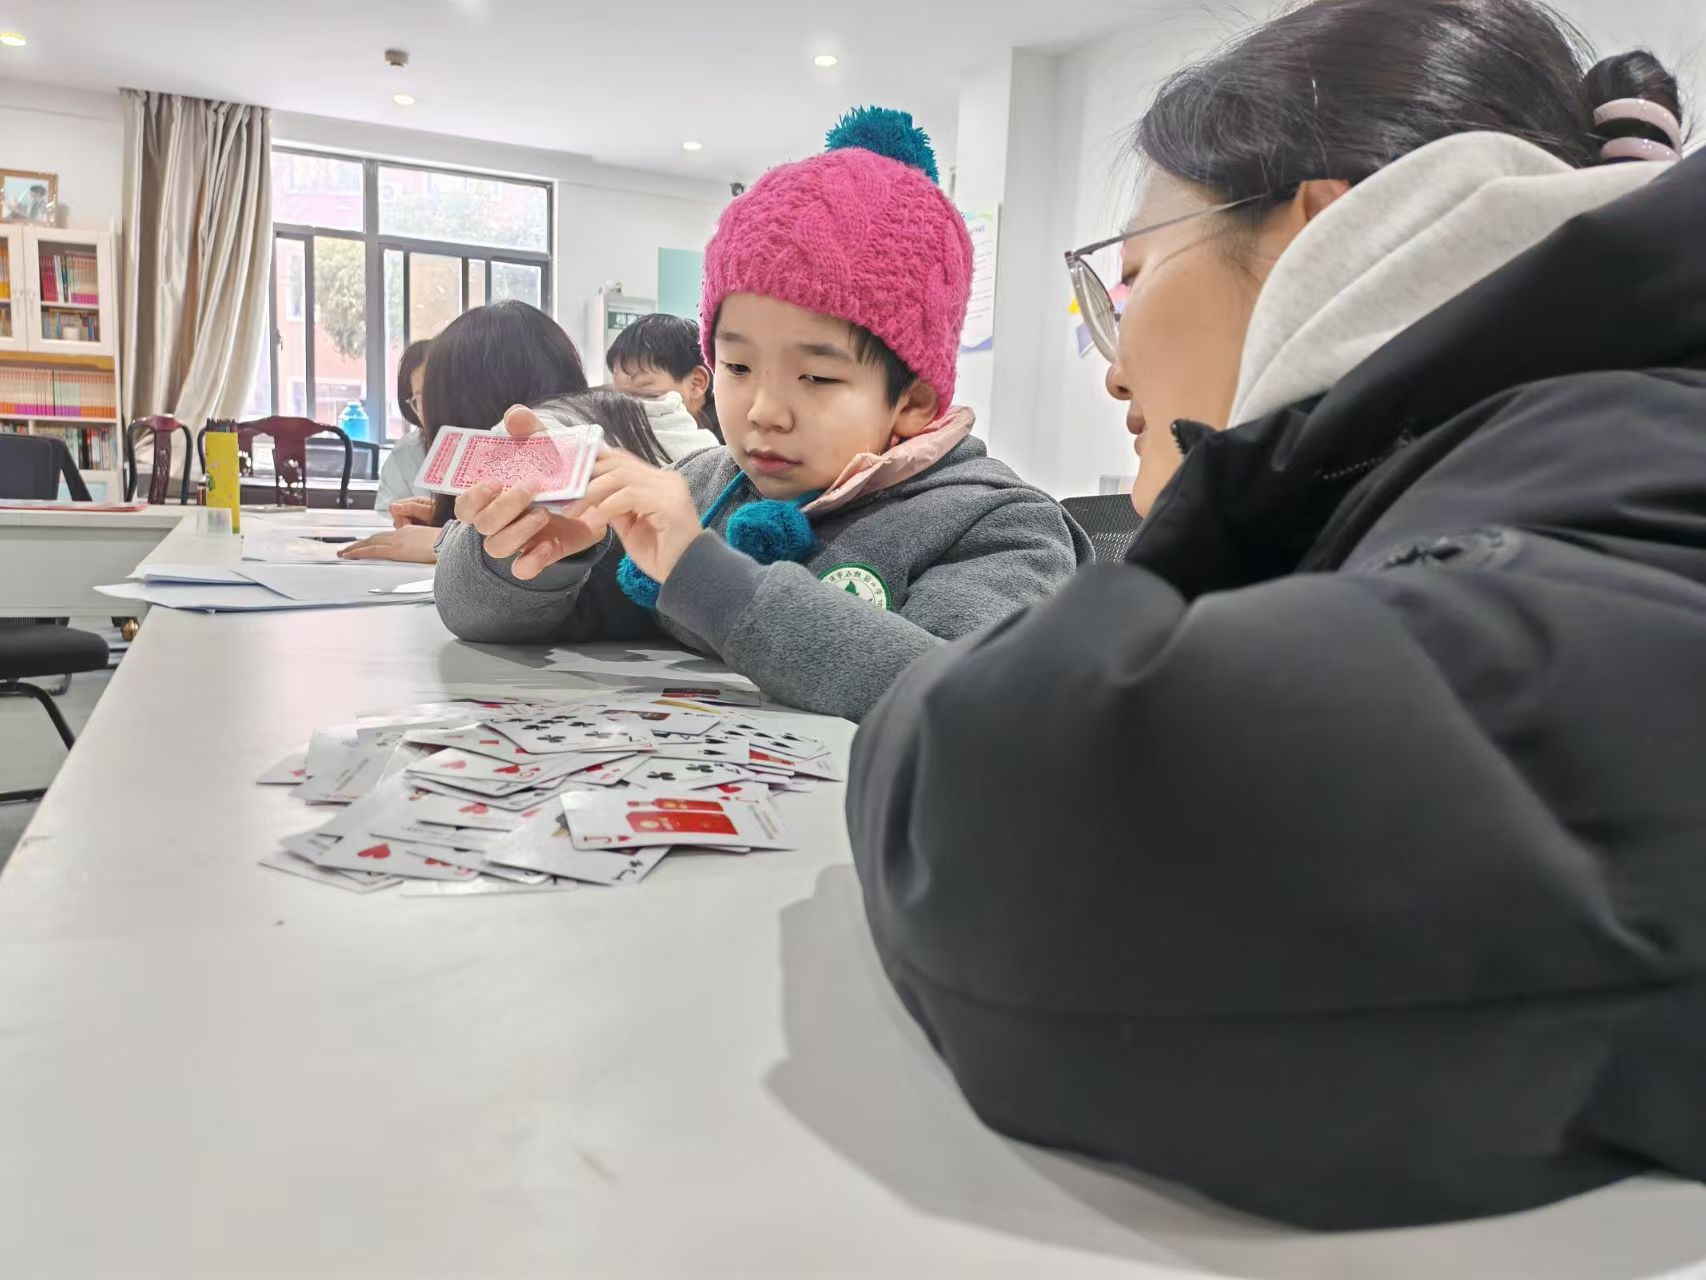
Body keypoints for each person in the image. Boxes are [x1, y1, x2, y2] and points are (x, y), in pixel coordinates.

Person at [846, 0, 1706, 1232]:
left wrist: (1215, 525)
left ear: (1324, 227)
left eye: (1125, 280)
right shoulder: (1533, 438)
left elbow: (1065, 796)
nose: (1108, 361)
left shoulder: (1616, 437)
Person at [433, 107, 1091, 722]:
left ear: (914, 400)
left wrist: (703, 574)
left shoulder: (998, 525)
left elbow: (960, 704)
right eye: (739, 367)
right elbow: (482, 621)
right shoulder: (704, 487)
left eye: (818, 377)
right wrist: (528, 555)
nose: (764, 413)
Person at [342, 302, 636, 562]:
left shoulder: (520, 437)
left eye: (427, 398)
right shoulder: (609, 419)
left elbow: (545, 551)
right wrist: (453, 525)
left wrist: (448, 544)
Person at [607, 313, 725, 453]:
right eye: (619, 398)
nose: (628, 408)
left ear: (696, 383)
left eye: (645, 395)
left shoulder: (730, 445)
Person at [372, 338, 433, 512]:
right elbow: (388, 516)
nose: (434, 406)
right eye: (422, 398)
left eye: (441, 392)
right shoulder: (407, 453)